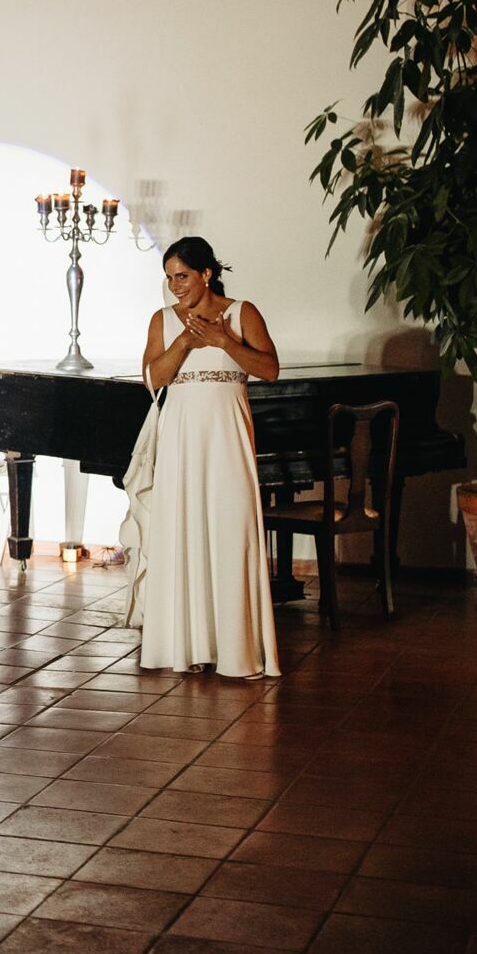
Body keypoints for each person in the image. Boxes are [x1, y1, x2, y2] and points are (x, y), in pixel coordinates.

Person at [137, 236, 281, 678]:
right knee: (184, 530)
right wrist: (183, 341)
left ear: (206, 273)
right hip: (181, 438)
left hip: (227, 438)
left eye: (182, 276)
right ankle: (188, 647)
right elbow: (152, 379)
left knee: (229, 529)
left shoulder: (243, 313)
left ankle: (236, 650)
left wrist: (222, 338)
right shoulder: (162, 321)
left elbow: (270, 369)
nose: (175, 286)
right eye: (169, 279)